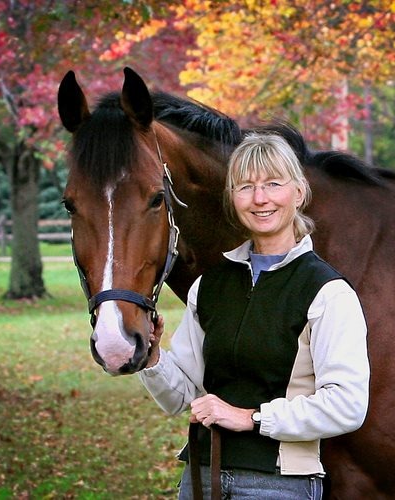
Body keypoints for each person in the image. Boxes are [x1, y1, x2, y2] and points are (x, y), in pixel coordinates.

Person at [139, 132, 370, 499]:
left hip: (279, 484)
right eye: (245, 186)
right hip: (201, 476)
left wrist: (251, 418)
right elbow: (180, 395)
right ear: (232, 198)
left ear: (298, 192)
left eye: (273, 184)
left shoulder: (328, 292)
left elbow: (348, 406)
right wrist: (151, 357)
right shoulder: (209, 286)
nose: (259, 198)